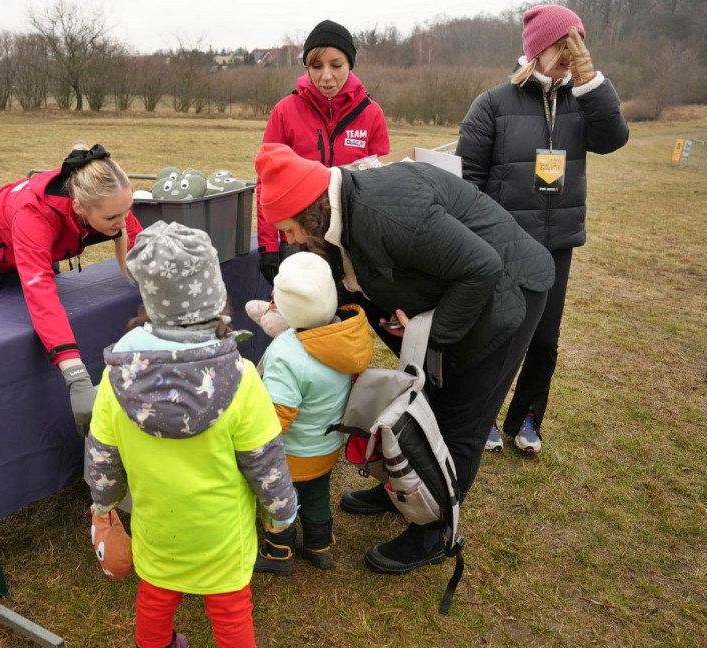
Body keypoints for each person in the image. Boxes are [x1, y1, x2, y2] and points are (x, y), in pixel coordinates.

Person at [254, 142, 556, 574]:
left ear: (313, 211)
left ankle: (433, 532)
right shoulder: (335, 214)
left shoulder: (389, 214)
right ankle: (405, 491)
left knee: (459, 419)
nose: (288, 239)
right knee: (425, 399)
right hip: (460, 291)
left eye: (289, 229)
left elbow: (482, 267)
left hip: (511, 289)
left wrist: (433, 332)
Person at [83, 221, 299, 648]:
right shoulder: (242, 379)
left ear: (151, 300)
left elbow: (102, 454)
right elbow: (266, 460)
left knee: (156, 591)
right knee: (229, 605)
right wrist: (281, 513)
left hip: (158, 525)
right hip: (222, 534)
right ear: (214, 298)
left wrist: (103, 505)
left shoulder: (114, 379)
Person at [456, 5, 629, 454]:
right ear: (538, 49)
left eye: (579, 44)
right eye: (564, 45)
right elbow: (467, 180)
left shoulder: (583, 100)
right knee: (496, 334)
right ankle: (485, 414)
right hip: (504, 243)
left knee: (544, 340)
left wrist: (594, 85)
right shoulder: (493, 103)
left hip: (557, 244)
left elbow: (614, 138)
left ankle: (529, 417)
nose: (573, 54)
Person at [0, 143, 144, 436]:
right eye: (111, 219)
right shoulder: (34, 215)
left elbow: (142, 247)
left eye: (125, 211)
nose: (121, 222)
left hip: (39, 248)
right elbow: (41, 295)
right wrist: (78, 379)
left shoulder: (108, 201)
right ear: (79, 206)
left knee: (36, 336)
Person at [249, 252, 374, 575]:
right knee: (317, 494)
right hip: (326, 443)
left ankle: (279, 552)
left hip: (291, 452)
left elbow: (279, 414)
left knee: (280, 500)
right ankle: (320, 546)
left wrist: (255, 446)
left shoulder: (287, 352)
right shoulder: (343, 336)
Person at [256, 19, 390, 286]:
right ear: (306, 67)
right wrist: (269, 247)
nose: (326, 76)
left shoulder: (371, 113)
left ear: (350, 64)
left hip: (352, 242)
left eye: (336, 65)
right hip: (299, 242)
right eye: (316, 66)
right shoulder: (285, 111)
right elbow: (266, 184)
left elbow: (382, 183)